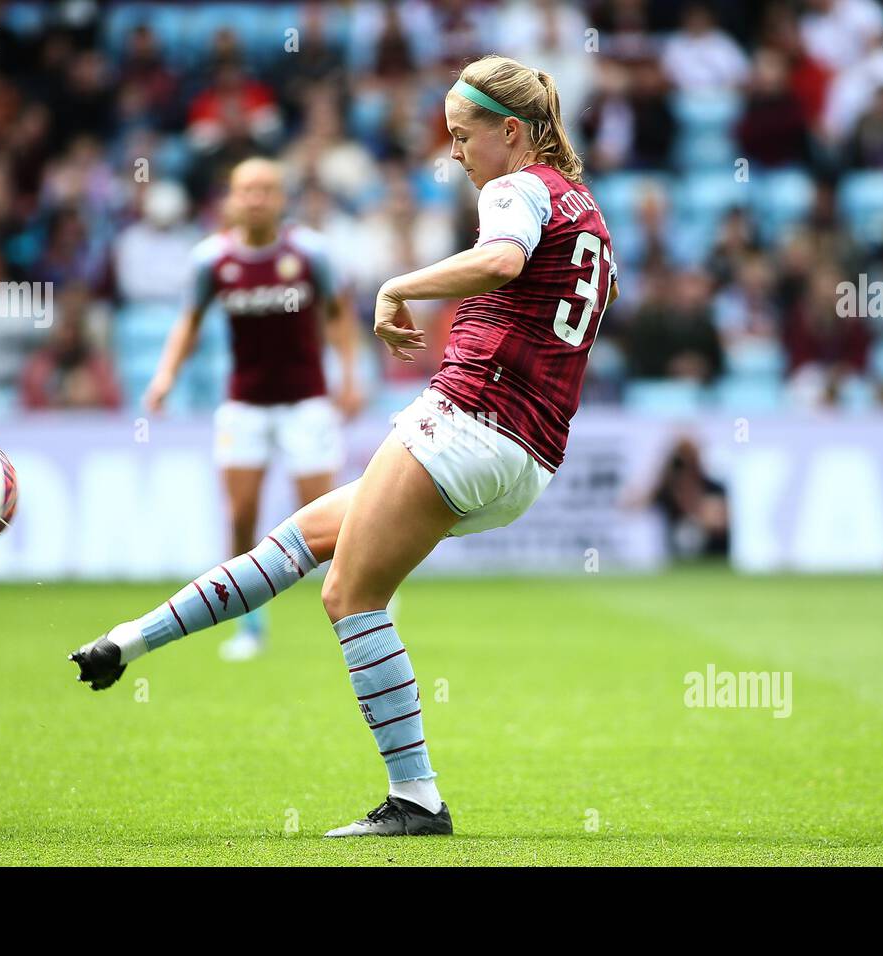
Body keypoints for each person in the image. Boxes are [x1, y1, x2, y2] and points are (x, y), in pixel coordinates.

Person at [69, 55, 618, 838]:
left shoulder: (516, 187)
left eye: (463, 137)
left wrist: (396, 286)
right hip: (524, 456)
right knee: (299, 542)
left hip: (469, 420)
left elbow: (502, 259)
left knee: (348, 596)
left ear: (511, 131)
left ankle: (416, 799)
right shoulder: (586, 209)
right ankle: (127, 642)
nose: (455, 154)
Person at [142, 157, 364, 661]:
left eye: (266, 189)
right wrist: (165, 376)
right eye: (247, 189)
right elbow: (189, 322)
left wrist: (350, 377)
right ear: (232, 198)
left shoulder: (310, 253)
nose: (257, 198)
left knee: (329, 520)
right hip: (244, 404)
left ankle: (365, 607)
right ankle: (250, 627)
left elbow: (339, 316)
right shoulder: (212, 260)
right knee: (241, 517)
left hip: (307, 402)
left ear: (281, 198)